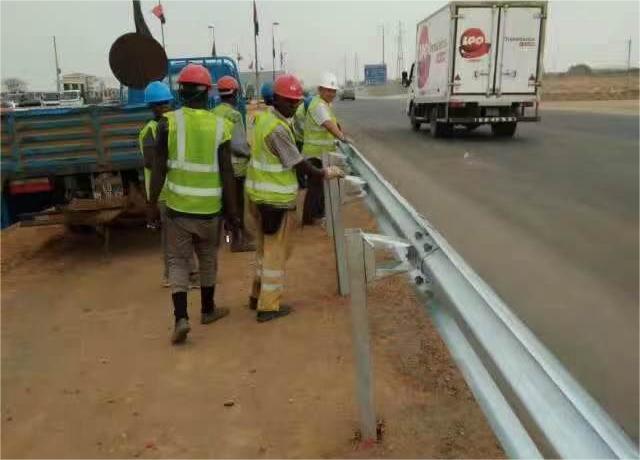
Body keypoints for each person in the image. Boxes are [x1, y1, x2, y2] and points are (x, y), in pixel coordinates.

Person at [147, 64, 240, 344]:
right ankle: (208, 309)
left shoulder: (168, 123)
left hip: (177, 209)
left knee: (177, 262)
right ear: (208, 93)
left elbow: (159, 167)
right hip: (210, 210)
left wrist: (152, 203)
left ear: (181, 92)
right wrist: (233, 213)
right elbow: (227, 173)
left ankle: (181, 318)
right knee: (208, 258)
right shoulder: (221, 126)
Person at [245, 73, 344, 323]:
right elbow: (298, 163)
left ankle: (256, 296)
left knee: (263, 250)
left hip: (258, 196)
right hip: (274, 200)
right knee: (276, 255)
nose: (293, 106)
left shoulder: (262, 119)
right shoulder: (277, 129)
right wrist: (324, 173)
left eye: (296, 101)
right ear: (275, 99)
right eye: (289, 101)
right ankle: (268, 307)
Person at [139, 81, 198, 287]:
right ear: (152, 107)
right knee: (173, 239)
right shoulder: (151, 130)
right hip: (163, 193)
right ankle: (177, 276)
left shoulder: (172, 125)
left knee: (181, 236)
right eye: (160, 104)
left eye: (167, 103)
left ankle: (184, 273)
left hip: (176, 189)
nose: (165, 108)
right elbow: (150, 161)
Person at [212, 76, 254, 252]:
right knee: (237, 204)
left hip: (219, 166)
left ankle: (231, 236)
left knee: (226, 203)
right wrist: (251, 153)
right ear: (235, 93)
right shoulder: (234, 114)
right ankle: (237, 241)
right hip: (236, 167)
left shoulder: (213, 112)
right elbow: (237, 145)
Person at [301, 72, 348, 225]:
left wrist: (339, 131)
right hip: (314, 154)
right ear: (320, 90)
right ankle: (309, 219)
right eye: (328, 90)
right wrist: (342, 138)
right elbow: (328, 124)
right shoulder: (318, 105)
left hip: (322, 154)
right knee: (315, 188)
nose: (331, 94)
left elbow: (334, 123)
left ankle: (317, 215)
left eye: (333, 91)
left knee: (320, 187)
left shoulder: (324, 104)